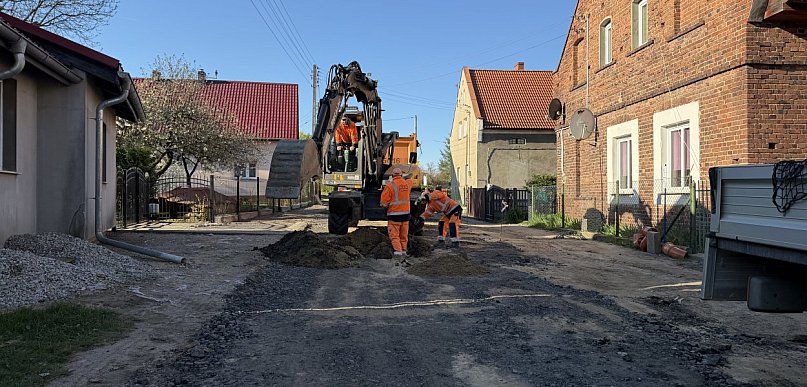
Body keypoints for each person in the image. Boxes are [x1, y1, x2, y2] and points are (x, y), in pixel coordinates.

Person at [380, 167, 412, 264]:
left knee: (394, 236)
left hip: (394, 215)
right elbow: (410, 180)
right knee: (404, 235)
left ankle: (398, 253)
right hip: (406, 215)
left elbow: (384, 203)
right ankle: (404, 251)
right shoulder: (407, 184)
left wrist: (384, 206)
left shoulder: (389, 186)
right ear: (401, 175)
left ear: (392, 176)